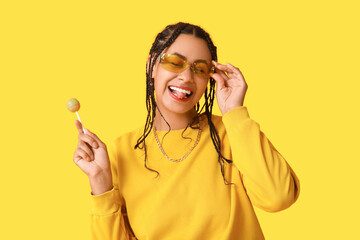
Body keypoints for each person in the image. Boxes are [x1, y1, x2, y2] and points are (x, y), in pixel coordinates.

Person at [73, 22, 300, 240]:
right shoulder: (121, 151)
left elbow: (279, 197)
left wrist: (235, 111)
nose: (186, 77)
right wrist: (100, 183)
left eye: (199, 69)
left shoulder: (232, 133)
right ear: (151, 65)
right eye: (174, 62)